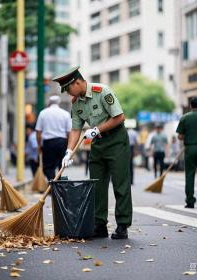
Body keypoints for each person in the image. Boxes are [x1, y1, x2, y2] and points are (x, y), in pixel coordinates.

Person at [53, 66, 132, 239]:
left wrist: (97, 129)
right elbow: (75, 130)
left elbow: (119, 117)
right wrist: (68, 151)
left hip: (116, 140)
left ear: (78, 82)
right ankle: (99, 224)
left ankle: (122, 225)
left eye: (68, 89)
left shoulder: (102, 91)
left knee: (120, 183)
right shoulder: (77, 103)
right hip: (98, 144)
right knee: (96, 184)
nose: (68, 94)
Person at [36, 95, 71, 180]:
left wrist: (39, 145)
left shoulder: (43, 113)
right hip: (62, 142)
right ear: (58, 103)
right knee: (61, 166)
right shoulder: (65, 114)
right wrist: (68, 146)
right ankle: (58, 185)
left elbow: (38, 132)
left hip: (48, 143)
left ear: (49, 103)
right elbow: (69, 132)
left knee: (48, 167)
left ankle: (53, 184)